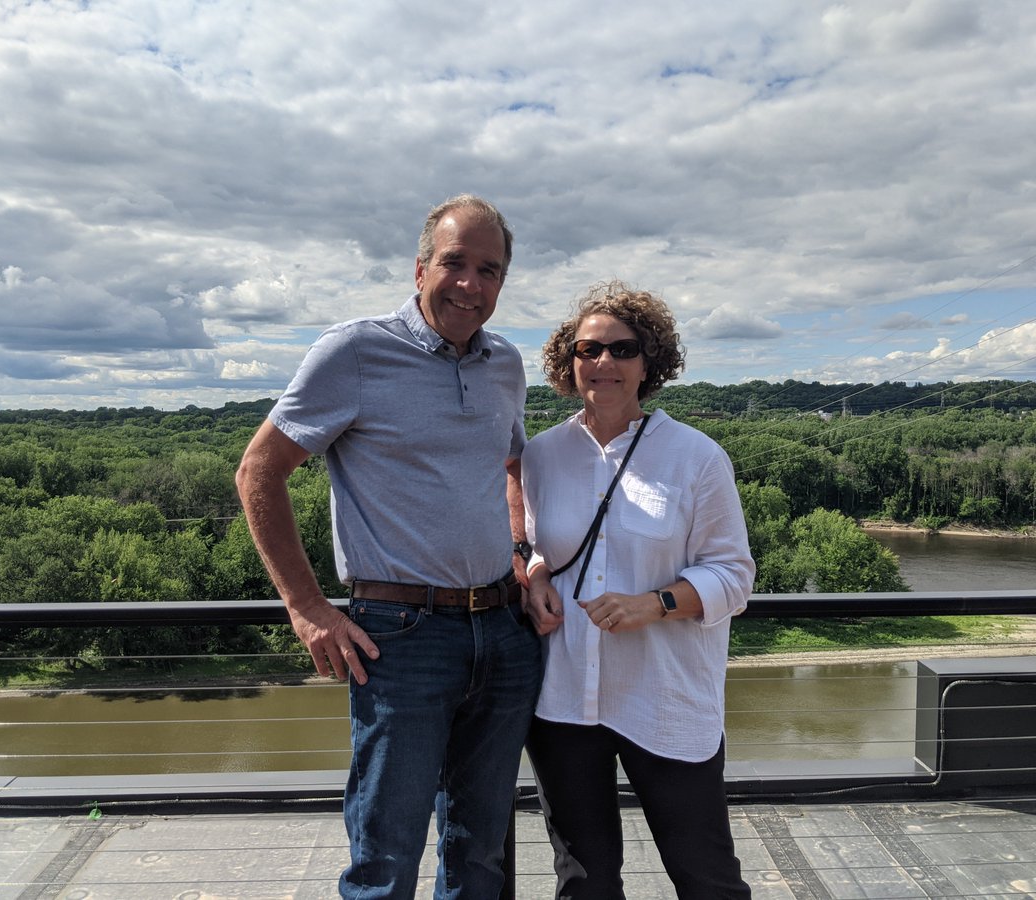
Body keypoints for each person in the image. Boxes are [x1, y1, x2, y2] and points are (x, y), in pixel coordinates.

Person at [235, 194, 541, 900]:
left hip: (503, 629)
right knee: (385, 859)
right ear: (419, 267)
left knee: (480, 851)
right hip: (400, 639)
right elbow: (258, 470)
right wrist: (306, 607)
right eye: (454, 263)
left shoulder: (505, 364)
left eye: (489, 270)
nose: (470, 284)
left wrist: (522, 552)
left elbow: (512, 465)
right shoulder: (357, 351)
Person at [520, 280, 756, 899]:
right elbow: (540, 548)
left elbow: (735, 575)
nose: (604, 363)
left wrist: (654, 604)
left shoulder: (696, 457)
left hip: (666, 699)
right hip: (567, 700)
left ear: (650, 363)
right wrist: (536, 577)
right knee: (584, 881)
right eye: (588, 349)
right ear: (567, 362)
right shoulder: (542, 455)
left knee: (705, 877)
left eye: (623, 350)